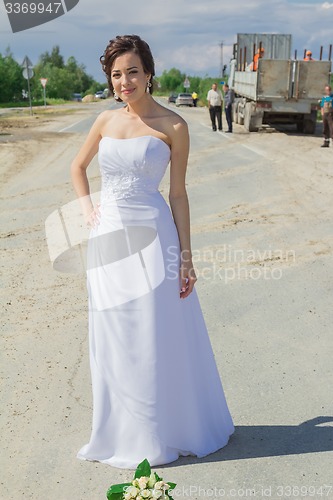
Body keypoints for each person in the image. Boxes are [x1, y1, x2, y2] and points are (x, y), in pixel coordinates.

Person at [70, 34, 234, 469]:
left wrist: (186, 256)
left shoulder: (173, 126)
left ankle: (163, 428)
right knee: (115, 333)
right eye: (117, 74)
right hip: (108, 239)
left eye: (133, 72)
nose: (125, 81)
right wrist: (89, 209)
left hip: (154, 234)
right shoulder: (105, 121)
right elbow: (78, 167)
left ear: (149, 74)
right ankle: (119, 430)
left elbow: (178, 195)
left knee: (153, 331)